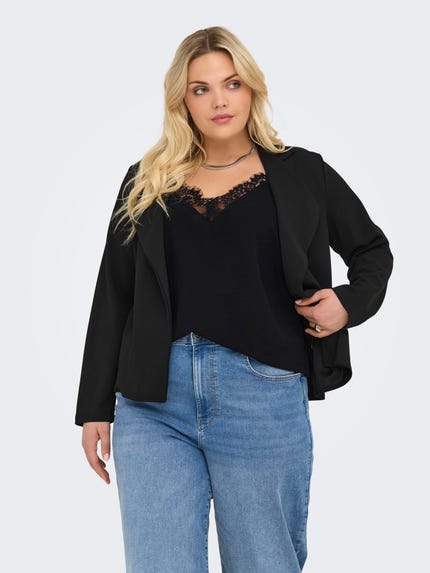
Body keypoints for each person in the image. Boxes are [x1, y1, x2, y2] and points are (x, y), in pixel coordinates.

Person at [75, 26, 393, 572]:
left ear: (252, 89)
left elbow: (372, 251)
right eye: (200, 89)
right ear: (182, 101)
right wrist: (94, 408)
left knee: (265, 563)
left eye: (232, 83)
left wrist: (347, 304)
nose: (219, 101)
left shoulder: (302, 173)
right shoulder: (146, 180)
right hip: (153, 405)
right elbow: (114, 294)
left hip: (262, 398)